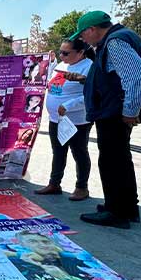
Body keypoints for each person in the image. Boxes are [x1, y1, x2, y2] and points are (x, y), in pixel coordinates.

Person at [69, 10, 141, 229]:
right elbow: (113, 77)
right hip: (114, 110)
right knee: (120, 159)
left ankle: (117, 213)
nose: (82, 40)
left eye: (83, 35)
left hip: (114, 113)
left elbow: (140, 76)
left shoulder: (115, 43)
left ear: (92, 29)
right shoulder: (118, 38)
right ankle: (125, 207)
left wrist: (130, 110)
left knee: (111, 161)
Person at [35, 39, 94, 201]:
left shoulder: (89, 67)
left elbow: (91, 95)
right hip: (57, 119)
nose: (62, 55)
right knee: (58, 152)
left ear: (80, 53)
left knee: (79, 152)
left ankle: (82, 187)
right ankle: (54, 183)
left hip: (77, 120)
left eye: (66, 53)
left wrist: (68, 105)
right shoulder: (63, 64)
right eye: (60, 52)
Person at [6, 231, 93, 280]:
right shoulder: (19, 260)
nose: (42, 245)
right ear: (22, 245)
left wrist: (65, 278)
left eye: (46, 242)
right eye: (33, 242)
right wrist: (18, 254)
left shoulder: (70, 259)